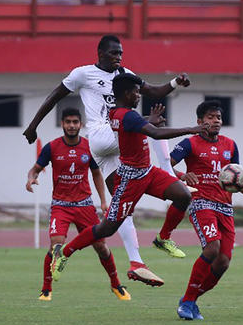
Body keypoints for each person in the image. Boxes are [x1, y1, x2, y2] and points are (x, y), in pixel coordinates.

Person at [22, 35, 192, 285]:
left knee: (119, 213)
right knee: (151, 126)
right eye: (114, 53)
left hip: (113, 145)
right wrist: (33, 126)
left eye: (121, 53)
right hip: (102, 136)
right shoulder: (83, 74)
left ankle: (136, 262)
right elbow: (54, 96)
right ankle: (170, 171)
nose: (119, 57)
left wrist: (175, 82)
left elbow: (154, 90)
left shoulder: (125, 75)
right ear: (100, 53)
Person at [49, 74, 206, 281]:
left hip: (147, 172)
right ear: (126, 93)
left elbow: (137, 126)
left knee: (183, 195)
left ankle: (163, 238)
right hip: (129, 179)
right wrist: (192, 129)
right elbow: (156, 134)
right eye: (136, 92)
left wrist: (149, 121)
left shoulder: (118, 113)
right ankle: (64, 253)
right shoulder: (127, 115)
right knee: (108, 227)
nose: (139, 95)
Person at [152, 100, 243, 320]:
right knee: (212, 249)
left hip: (225, 207)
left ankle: (190, 299)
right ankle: (188, 302)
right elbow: (165, 165)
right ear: (200, 121)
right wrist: (183, 176)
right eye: (210, 117)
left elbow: (235, 175)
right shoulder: (189, 143)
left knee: (223, 262)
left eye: (218, 118)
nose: (215, 121)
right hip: (202, 203)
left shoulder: (230, 145)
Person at [26, 108, 126, 301]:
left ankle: (116, 285)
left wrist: (104, 201)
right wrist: (31, 178)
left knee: (101, 247)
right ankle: (46, 289)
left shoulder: (89, 147)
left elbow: (97, 174)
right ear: (62, 124)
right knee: (55, 246)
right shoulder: (52, 147)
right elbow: (35, 169)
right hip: (60, 206)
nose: (71, 126)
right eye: (68, 122)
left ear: (81, 124)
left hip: (85, 206)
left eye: (75, 122)